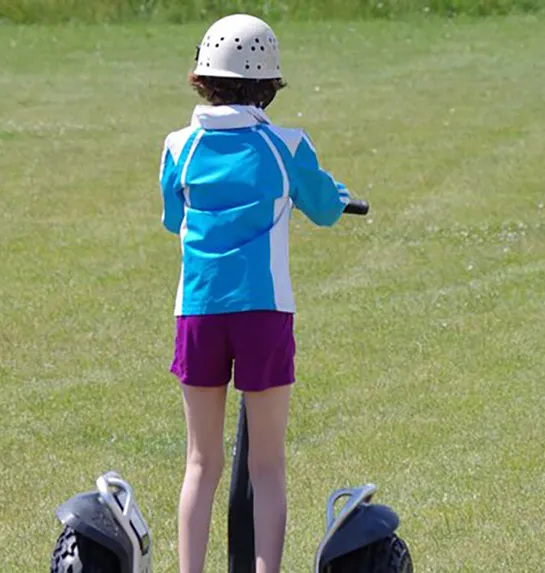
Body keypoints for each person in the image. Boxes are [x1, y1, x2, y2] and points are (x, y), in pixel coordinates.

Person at [158, 13, 352, 573]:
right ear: (268, 83)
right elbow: (324, 208)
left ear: (203, 78)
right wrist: (332, 196)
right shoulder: (286, 145)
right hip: (264, 313)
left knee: (201, 462)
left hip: (198, 311)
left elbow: (174, 219)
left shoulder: (178, 147)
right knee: (267, 465)